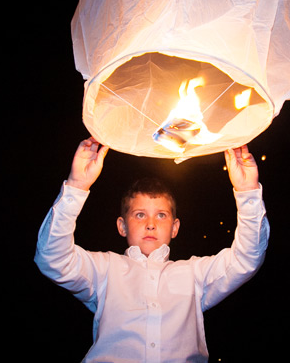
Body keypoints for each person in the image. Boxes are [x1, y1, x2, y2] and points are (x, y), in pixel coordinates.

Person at [35, 137, 270, 362]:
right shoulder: (105, 269)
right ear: (122, 226)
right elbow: (52, 257)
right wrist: (77, 186)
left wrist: (248, 191)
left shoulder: (194, 273)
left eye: (161, 215)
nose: (150, 224)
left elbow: (245, 259)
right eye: (139, 215)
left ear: (175, 227)